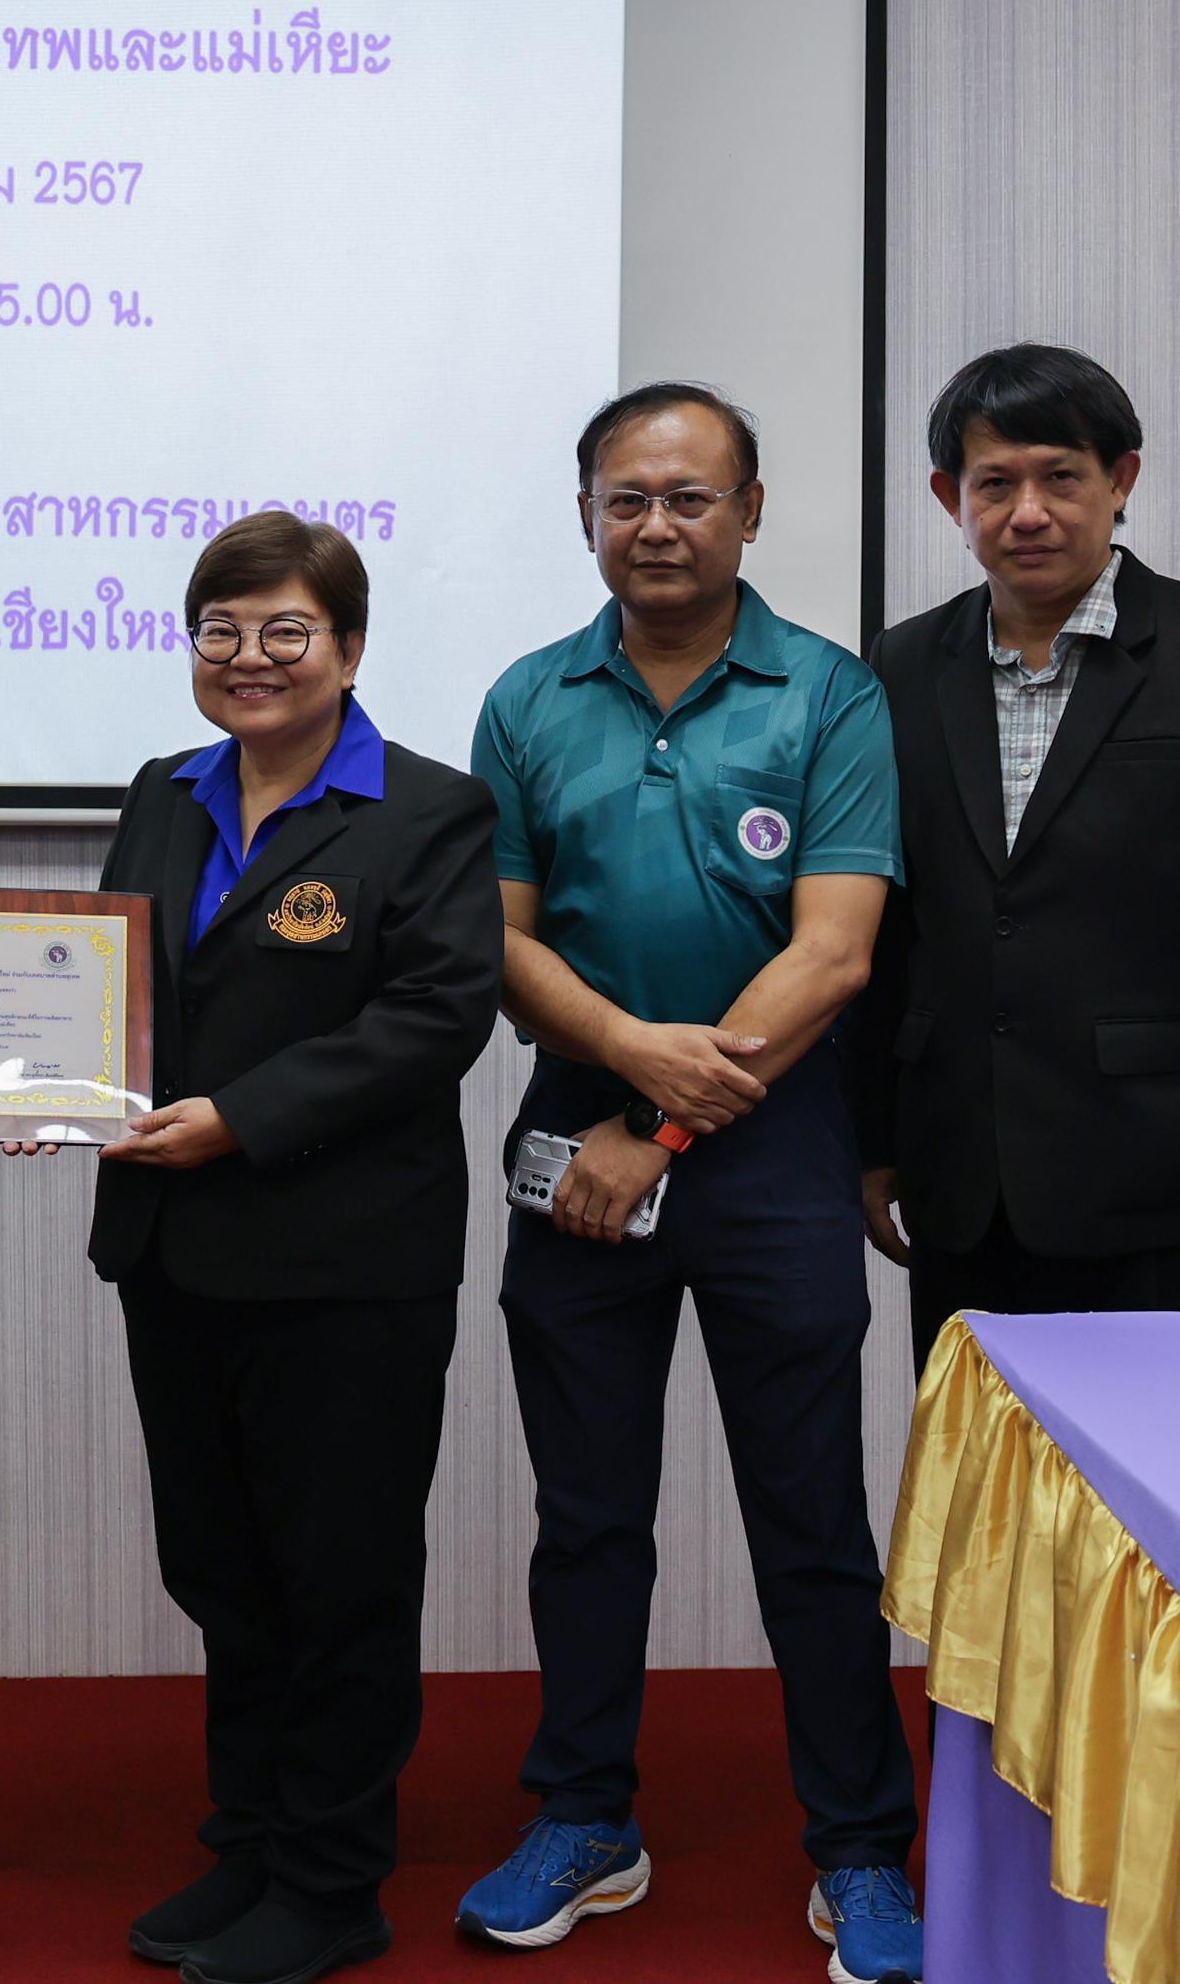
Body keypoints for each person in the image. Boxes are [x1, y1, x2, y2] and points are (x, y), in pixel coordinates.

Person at [461, 385, 925, 1984]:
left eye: (688, 497)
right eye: (626, 498)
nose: (655, 525)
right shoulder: (528, 698)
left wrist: (661, 1121)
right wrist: (622, 1060)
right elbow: (500, 938)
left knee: (811, 1517)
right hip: (575, 1129)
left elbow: (837, 951)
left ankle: (860, 1847)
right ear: (588, 512)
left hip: (769, 1141)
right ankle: (586, 1817)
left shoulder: (831, 694)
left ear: (750, 511)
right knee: (587, 1514)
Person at [94, 512, 502, 1984]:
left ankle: (331, 1881)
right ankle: (253, 1842)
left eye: (285, 630)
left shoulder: (428, 810)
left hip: (345, 1265)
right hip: (174, 1251)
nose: (249, 657)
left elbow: (433, 1017)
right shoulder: (164, 792)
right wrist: (47, 1087)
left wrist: (240, 1119)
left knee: (338, 1578)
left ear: (349, 646)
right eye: (221, 629)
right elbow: (107, 985)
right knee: (222, 1567)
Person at [854, 345, 1180, 1367]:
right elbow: (885, 922)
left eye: (1060, 477)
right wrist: (873, 1139)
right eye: (995, 483)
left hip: (1170, 1184)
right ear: (950, 498)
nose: (1027, 511)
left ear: (1120, 480)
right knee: (986, 1461)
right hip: (962, 1182)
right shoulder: (900, 663)